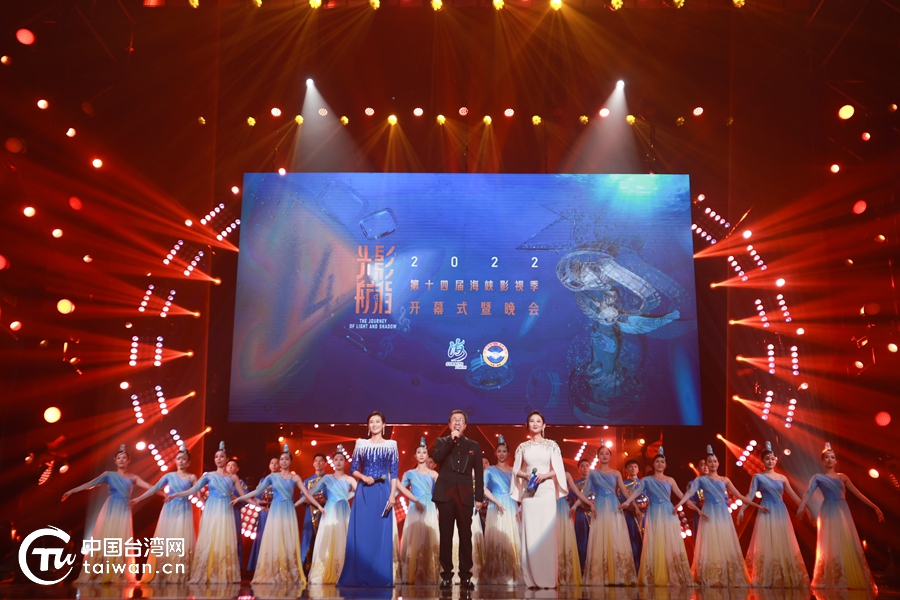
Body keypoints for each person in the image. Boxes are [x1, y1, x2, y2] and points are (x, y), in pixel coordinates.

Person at [796, 442, 884, 591]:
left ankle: (849, 576)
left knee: (846, 542)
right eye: (827, 457)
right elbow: (809, 493)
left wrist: (874, 506)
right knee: (830, 543)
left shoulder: (842, 477)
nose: (830, 459)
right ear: (822, 461)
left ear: (836, 461)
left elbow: (858, 494)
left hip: (843, 511)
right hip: (828, 511)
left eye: (832, 457)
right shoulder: (817, 477)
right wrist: (801, 506)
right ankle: (833, 577)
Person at [231, 444, 324, 584]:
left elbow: (307, 494)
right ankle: (273, 570)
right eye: (282, 459)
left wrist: (319, 506)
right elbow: (257, 491)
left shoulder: (295, 478)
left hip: (288, 511)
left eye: (286, 459)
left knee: (287, 539)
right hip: (275, 510)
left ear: (290, 461)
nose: (284, 462)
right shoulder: (272, 477)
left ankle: (287, 571)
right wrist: (240, 498)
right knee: (274, 539)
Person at [675, 445, 766, 587]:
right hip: (709, 512)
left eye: (715, 461)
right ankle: (711, 574)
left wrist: (756, 505)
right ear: (706, 464)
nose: (712, 464)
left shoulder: (725, 480)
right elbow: (688, 494)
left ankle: (726, 573)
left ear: (718, 463)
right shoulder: (701, 480)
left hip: (723, 514)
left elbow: (739, 495)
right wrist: (679, 504)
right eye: (709, 461)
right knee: (710, 542)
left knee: (724, 541)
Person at [62, 445, 152, 584]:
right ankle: (100, 571)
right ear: (115, 461)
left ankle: (116, 573)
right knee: (106, 537)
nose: (121, 460)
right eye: (119, 458)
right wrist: (72, 491)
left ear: (128, 460)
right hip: (110, 508)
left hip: (124, 510)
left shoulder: (133, 478)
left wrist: (163, 492)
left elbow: (149, 486)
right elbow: (90, 484)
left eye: (124, 458)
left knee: (120, 540)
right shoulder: (108, 475)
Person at [620, 446, 700, 587]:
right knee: (655, 542)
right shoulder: (647, 480)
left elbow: (682, 495)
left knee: (669, 541)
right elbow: (636, 493)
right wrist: (627, 502)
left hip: (668, 512)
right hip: (654, 512)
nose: (660, 464)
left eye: (662, 462)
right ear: (653, 464)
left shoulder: (670, 480)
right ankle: (655, 574)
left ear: (666, 465)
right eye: (657, 461)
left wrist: (695, 508)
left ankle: (672, 574)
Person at [338, 410, 400, 587]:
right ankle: (358, 575)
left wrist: (392, 495)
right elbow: (353, 469)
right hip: (364, 492)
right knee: (362, 532)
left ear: (384, 425)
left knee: (380, 533)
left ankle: (380, 576)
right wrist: (364, 478)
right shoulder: (361, 444)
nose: (374, 425)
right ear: (368, 425)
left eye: (377, 421)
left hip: (383, 491)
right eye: (371, 422)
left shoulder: (391, 445)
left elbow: (394, 473)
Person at [167, 441, 243, 584]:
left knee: (223, 538)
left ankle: (222, 573)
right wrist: (176, 494)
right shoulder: (208, 476)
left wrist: (255, 503)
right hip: (211, 509)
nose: (219, 459)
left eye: (222, 456)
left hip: (225, 510)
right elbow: (193, 490)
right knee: (209, 538)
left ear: (227, 459)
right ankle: (207, 571)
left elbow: (242, 495)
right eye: (216, 457)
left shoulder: (232, 478)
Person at [736, 441, 809, 588]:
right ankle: (766, 575)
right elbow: (750, 495)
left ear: (776, 460)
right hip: (766, 510)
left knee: (782, 541)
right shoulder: (758, 477)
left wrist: (803, 507)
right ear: (763, 461)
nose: (770, 461)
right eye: (767, 459)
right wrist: (742, 509)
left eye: (772, 458)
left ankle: (783, 575)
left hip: (780, 511)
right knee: (766, 541)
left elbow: (793, 495)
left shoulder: (782, 478)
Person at [510, 410, 568, 589]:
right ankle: (532, 579)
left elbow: (559, 470)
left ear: (544, 425)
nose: (535, 423)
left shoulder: (552, 446)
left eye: (538, 421)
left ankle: (548, 579)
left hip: (546, 491)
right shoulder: (522, 447)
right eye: (531, 421)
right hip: (530, 493)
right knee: (530, 533)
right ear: (527, 425)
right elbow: (515, 470)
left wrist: (545, 475)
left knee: (546, 533)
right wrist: (526, 475)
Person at [129, 442, 197, 584]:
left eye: (184, 459)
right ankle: (164, 573)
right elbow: (154, 488)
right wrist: (138, 498)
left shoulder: (192, 477)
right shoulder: (169, 476)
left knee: (181, 539)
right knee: (167, 538)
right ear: (175, 460)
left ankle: (180, 574)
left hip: (184, 509)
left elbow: (196, 492)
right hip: (169, 510)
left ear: (188, 462)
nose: (181, 461)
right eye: (178, 458)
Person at [431, 409, 484, 589]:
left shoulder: (474, 445)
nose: (457, 422)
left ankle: (465, 575)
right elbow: (437, 458)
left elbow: (479, 473)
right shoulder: (441, 442)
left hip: (465, 495)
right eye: (454, 420)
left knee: (465, 535)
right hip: (445, 496)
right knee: (446, 536)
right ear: (449, 424)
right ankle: (446, 575)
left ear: (465, 425)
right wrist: (451, 440)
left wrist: (479, 498)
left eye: (460, 420)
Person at [582, 441, 637, 586]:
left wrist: (633, 504)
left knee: (616, 536)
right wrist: (580, 505)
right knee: (601, 537)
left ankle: (618, 575)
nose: (604, 456)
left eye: (607, 453)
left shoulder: (616, 473)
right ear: (598, 456)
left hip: (614, 506)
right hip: (600, 506)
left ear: (611, 456)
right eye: (601, 453)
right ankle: (601, 575)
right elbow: (585, 493)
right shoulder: (593, 474)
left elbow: (624, 491)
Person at [307, 447, 356, 584]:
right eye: (336, 459)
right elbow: (309, 493)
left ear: (345, 462)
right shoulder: (327, 478)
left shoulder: (349, 479)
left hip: (343, 511)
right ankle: (324, 571)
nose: (338, 462)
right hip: (329, 511)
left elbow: (359, 491)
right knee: (327, 539)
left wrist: (346, 497)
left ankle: (341, 572)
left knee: (343, 539)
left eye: (341, 459)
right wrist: (318, 506)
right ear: (332, 462)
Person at [396, 438, 440, 584]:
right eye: (419, 452)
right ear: (414, 456)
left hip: (429, 507)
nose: (421, 455)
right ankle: (413, 573)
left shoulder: (434, 474)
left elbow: (440, 494)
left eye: (424, 452)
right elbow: (399, 489)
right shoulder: (409, 474)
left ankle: (429, 574)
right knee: (414, 538)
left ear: (427, 456)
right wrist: (388, 497)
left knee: (428, 537)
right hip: (414, 507)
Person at [481, 435, 523, 585]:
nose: (501, 454)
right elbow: (482, 488)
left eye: (504, 451)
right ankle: (496, 573)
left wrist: (521, 506)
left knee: (511, 536)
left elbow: (520, 489)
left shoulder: (513, 470)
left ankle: (512, 573)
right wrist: (496, 501)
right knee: (497, 535)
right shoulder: (490, 470)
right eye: (499, 451)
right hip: (496, 504)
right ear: (495, 453)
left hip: (511, 504)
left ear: (508, 453)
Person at [558, 471, 593, 585]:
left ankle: (567, 572)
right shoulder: (543, 472)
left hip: (562, 506)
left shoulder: (567, 474)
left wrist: (590, 504)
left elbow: (578, 493)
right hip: (549, 505)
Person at [247, 457, 279, 574]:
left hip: (277, 512)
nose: (274, 465)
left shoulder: (283, 479)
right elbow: (257, 497)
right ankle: (261, 566)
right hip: (265, 513)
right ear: (269, 466)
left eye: (276, 463)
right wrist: (261, 505)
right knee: (262, 537)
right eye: (272, 463)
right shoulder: (263, 480)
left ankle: (275, 566)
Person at [300, 453, 327, 575]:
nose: (318, 463)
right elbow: (303, 498)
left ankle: (323, 569)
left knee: (323, 539)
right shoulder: (307, 481)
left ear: (325, 463)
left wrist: (324, 501)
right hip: (309, 513)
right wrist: (313, 501)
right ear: (313, 463)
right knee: (308, 539)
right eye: (316, 460)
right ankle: (306, 568)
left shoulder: (329, 479)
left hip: (325, 513)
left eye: (321, 461)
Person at [225, 457, 249, 570]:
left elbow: (246, 500)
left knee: (235, 538)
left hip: (235, 512)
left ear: (237, 469)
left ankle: (235, 567)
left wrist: (235, 498)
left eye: (233, 465)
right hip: (222, 512)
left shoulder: (241, 483)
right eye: (228, 465)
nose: (230, 467)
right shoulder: (221, 480)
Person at [568, 458, 592, 573]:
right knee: (582, 539)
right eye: (582, 466)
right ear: (578, 469)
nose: (585, 468)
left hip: (595, 514)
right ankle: (582, 567)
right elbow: (570, 499)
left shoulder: (596, 482)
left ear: (590, 467)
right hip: (581, 514)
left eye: (587, 465)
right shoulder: (575, 484)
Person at [621, 459, 644, 570]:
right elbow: (620, 500)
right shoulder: (623, 484)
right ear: (626, 470)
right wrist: (632, 509)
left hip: (644, 516)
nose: (633, 468)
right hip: (629, 516)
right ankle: (634, 569)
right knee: (631, 540)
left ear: (638, 469)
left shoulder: (644, 483)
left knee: (645, 541)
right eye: (630, 467)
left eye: (635, 466)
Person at [687, 458, 709, 534]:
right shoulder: (692, 484)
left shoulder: (717, 482)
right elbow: (688, 501)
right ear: (698, 468)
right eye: (702, 465)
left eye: (707, 464)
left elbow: (725, 499)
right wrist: (699, 504)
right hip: (700, 516)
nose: (705, 467)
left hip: (715, 515)